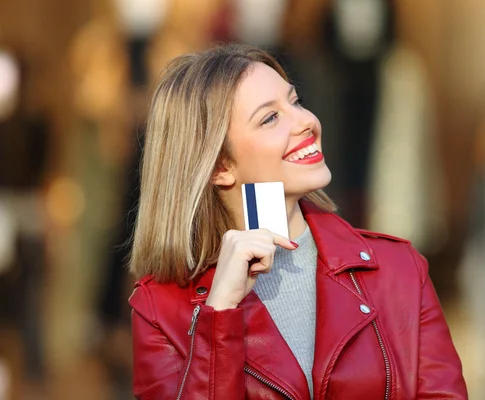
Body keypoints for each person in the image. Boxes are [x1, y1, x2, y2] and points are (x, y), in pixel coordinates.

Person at [128, 43, 467, 399]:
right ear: (220, 167)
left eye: (295, 101)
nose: (306, 121)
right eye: (270, 118)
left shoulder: (399, 271)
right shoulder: (160, 310)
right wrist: (220, 312)